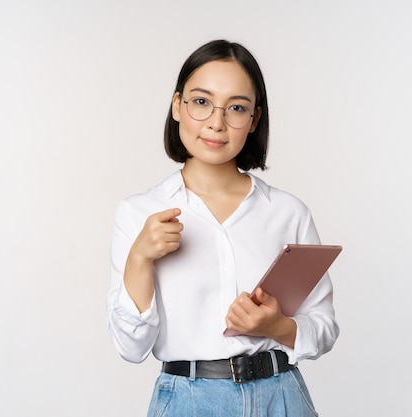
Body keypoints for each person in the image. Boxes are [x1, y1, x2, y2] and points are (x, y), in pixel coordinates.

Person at [107, 39, 339, 417]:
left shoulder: (288, 212)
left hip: (282, 398)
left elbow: (324, 327)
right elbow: (130, 348)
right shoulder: (139, 213)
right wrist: (139, 258)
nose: (217, 122)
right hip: (188, 402)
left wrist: (278, 326)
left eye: (236, 108)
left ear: (254, 119)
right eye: (201, 102)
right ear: (177, 105)